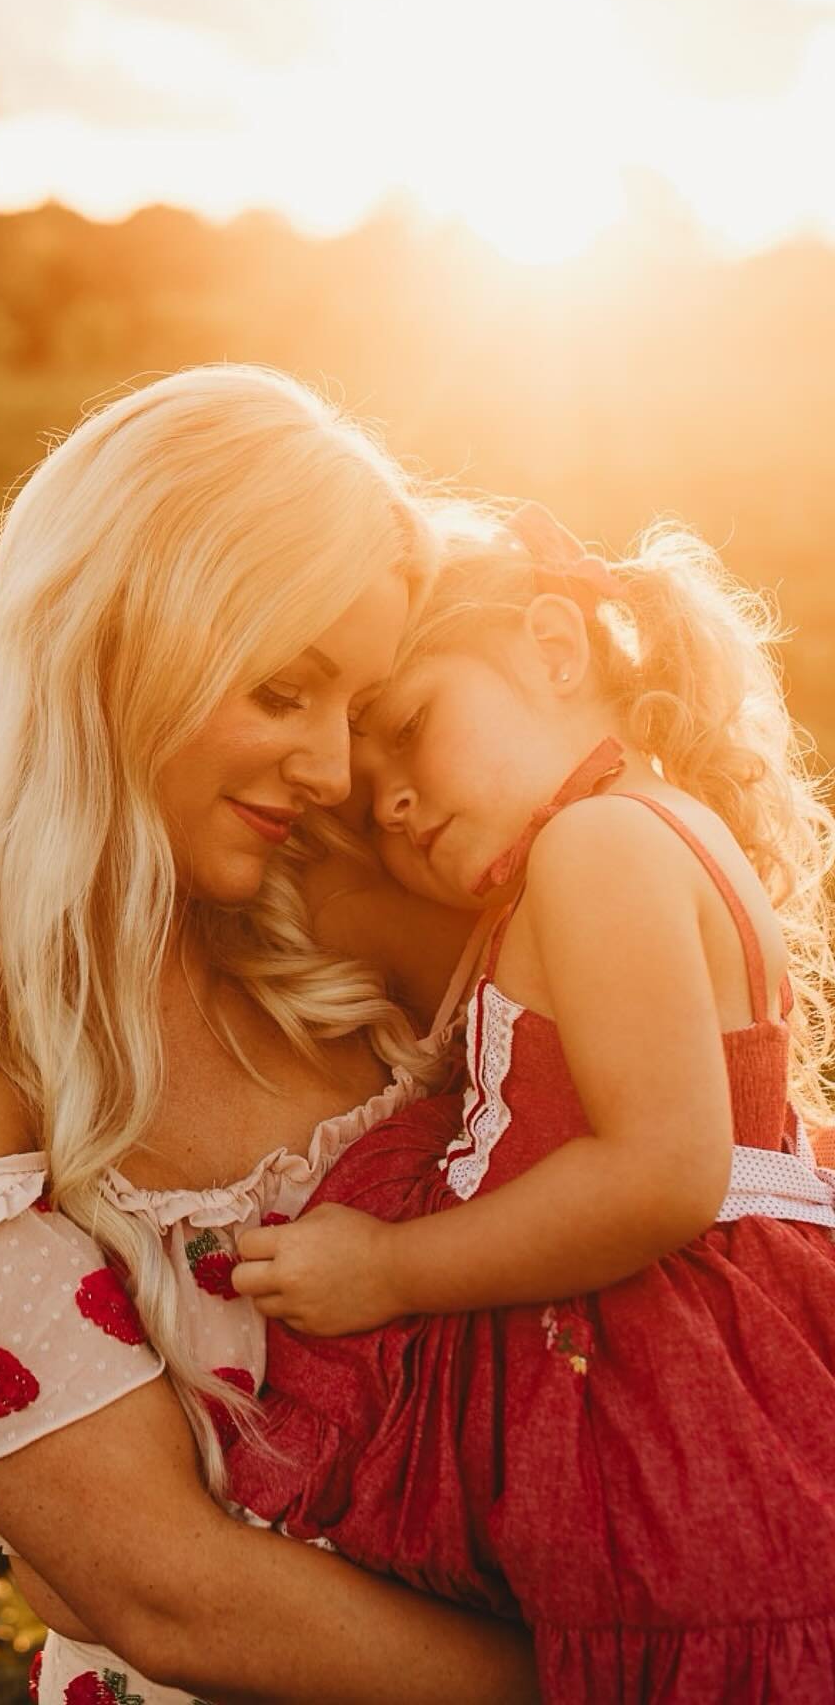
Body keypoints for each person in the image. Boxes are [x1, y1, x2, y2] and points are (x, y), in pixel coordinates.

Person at [0, 366, 537, 1703]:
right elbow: (162, 1593)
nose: (335, 769)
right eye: (284, 691)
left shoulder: (335, 877)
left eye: (356, 707)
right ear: (118, 636)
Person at [226, 500, 835, 1701]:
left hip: (673, 1407)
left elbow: (663, 1171)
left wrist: (391, 1272)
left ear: (555, 651)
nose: (389, 799)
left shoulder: (598, 845)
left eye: (409, 728)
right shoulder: (653, 829)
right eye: (365, 803)